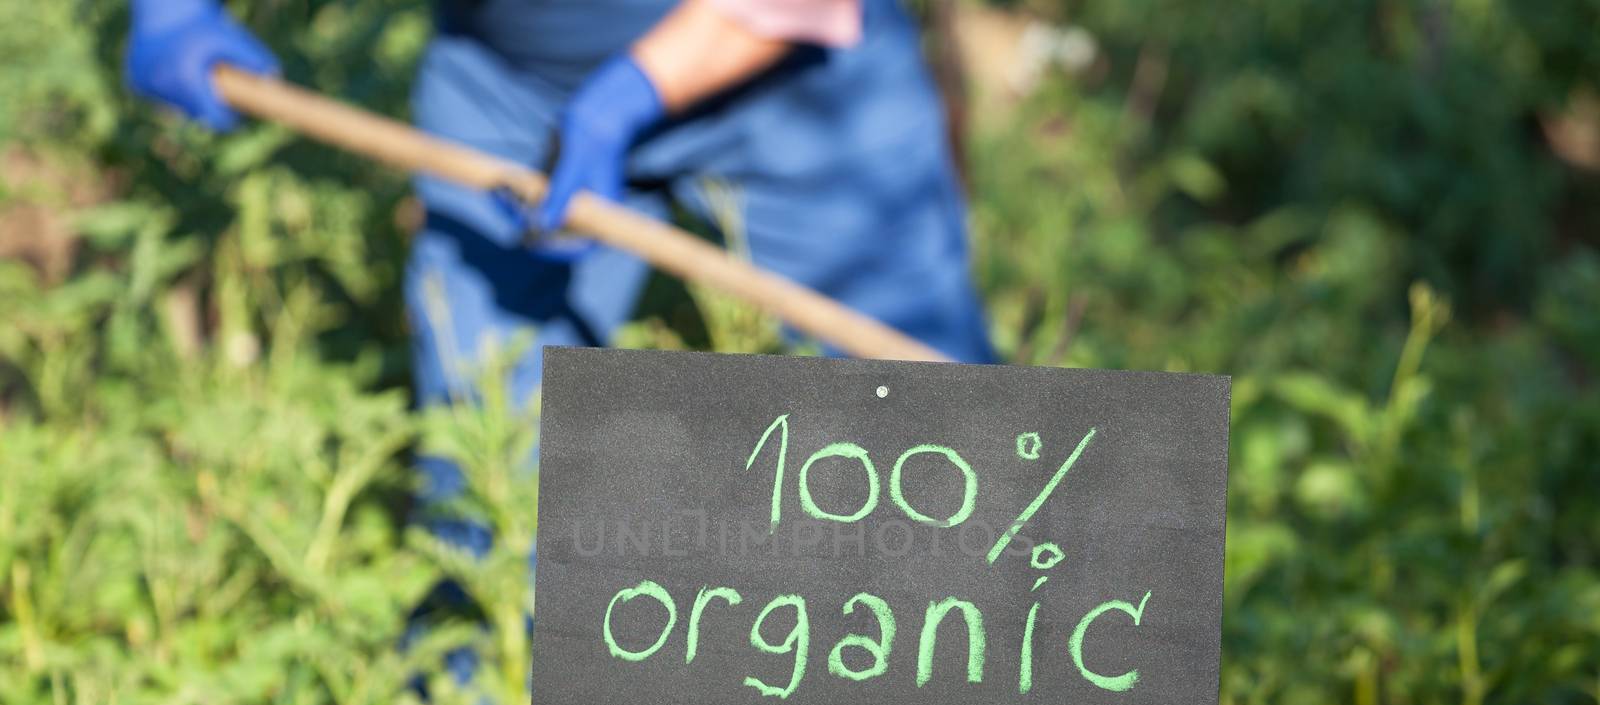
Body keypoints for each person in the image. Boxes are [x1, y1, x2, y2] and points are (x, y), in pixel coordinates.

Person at [127, 0, 998, 583]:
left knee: (929, 438)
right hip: (507, 79)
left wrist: (627, 96)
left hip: (794, 73)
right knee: (490, 461)